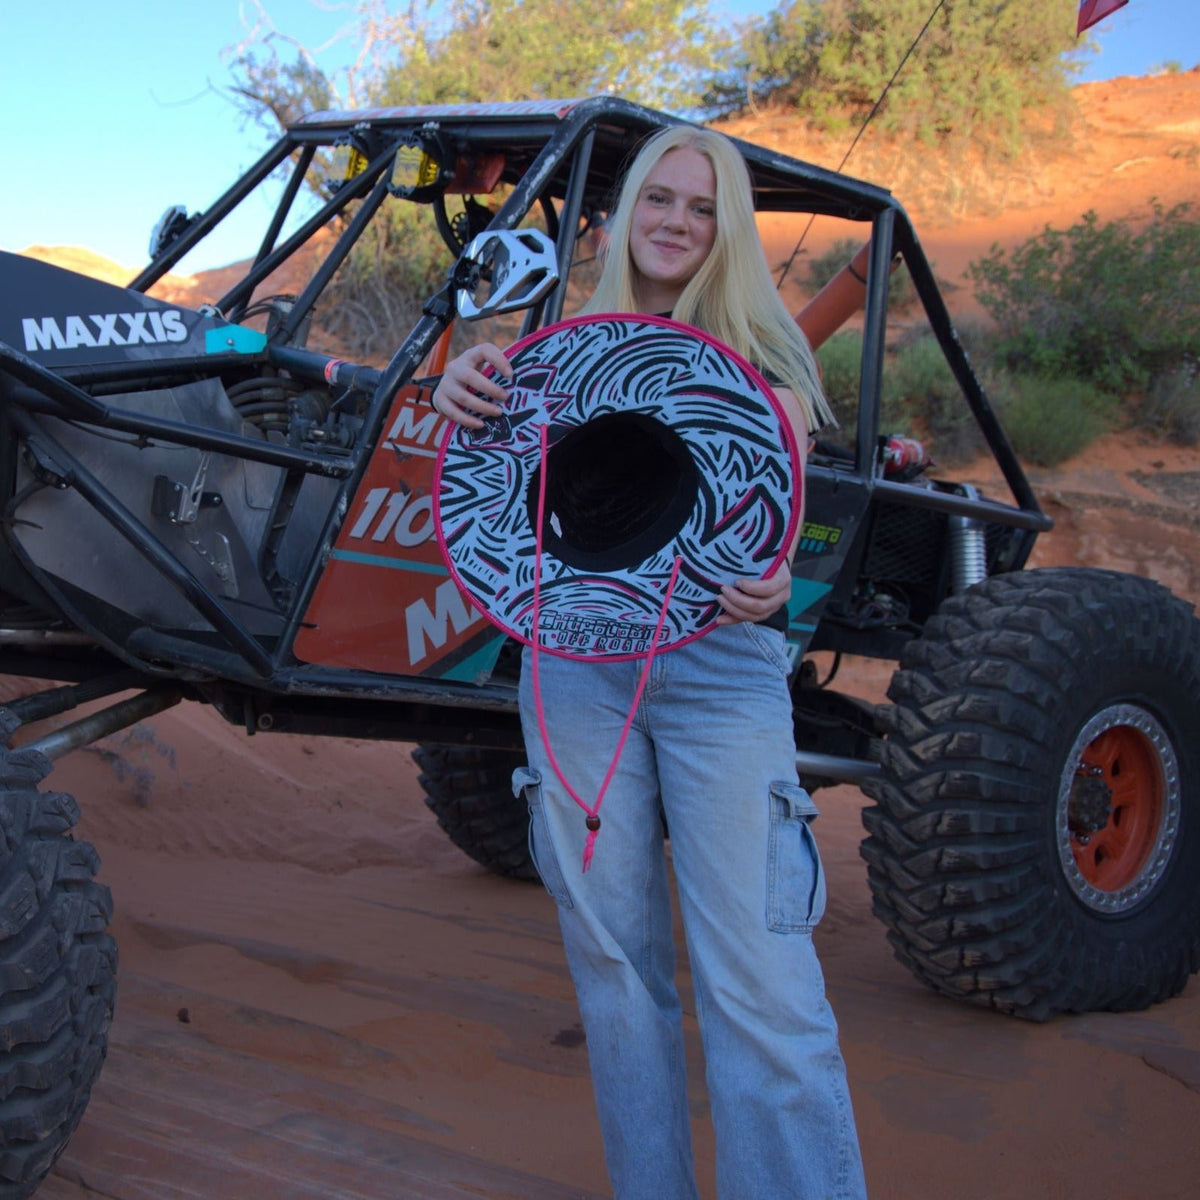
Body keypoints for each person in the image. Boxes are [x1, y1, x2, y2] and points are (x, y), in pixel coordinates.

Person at [432, 124, 867, 1200]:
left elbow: (771, 523)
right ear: (626, 216)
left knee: (763, 983)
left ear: (731, 229)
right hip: (577, 671)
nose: (676, 221)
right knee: (617, 974)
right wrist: (460, 394)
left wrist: (775, 585)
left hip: (721, 674)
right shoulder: (553, 352)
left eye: (703, 205)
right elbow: (493, 498)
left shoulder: (768, 355)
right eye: (657, 200)